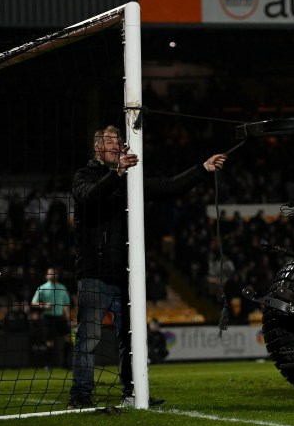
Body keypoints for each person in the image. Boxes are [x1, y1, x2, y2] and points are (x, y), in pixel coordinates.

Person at [68, 125, 227, 409]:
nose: (116, 144)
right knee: (89, 337)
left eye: (118, 140)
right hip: (95, 273)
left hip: (128, 276)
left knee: (131, 339)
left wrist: (202, 169)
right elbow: (89, 197)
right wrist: (116, 175)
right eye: (109, 141)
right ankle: (80, 395)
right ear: (97, 148)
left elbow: (168, 186)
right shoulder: (84, 176)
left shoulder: (131, 177)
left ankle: (133, 392)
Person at [30, 267, 72, 368]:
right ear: (47, 275)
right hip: (48, 318)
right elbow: (33, 303)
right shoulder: (42, 288)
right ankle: (48, 364)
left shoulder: (62, 287)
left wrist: (68, 318)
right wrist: (44, 305)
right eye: (50, 273)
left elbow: (66, 304)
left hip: (60, 318)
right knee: (49, 342)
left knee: (68, 338)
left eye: (54, 273)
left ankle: (65, 362)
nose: (53, 275)